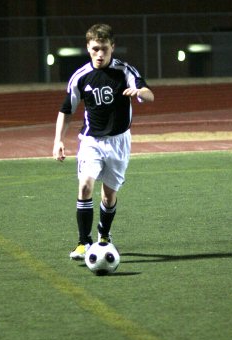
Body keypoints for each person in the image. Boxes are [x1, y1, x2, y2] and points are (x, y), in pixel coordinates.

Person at [52, 23, 155, 260]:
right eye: (95, 48)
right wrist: (58, 140)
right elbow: (67, 109)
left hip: (119, 142)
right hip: (91, 141)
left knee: (108, 195)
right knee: (85, 185)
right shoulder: (80, 76)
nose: (100, 54)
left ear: (113, 47)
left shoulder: (125, 71)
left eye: (105, 49)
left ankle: (104, 235)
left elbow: (150, 94)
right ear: (88, 48)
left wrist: (139, 92)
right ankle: (83, 242)